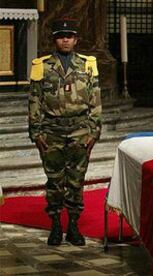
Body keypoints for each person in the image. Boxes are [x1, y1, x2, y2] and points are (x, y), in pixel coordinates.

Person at [28, 18, 102, 246]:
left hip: (80, 131)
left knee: (76, 181)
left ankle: (73, 225)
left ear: (76, 39)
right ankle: (55, 225)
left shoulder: (87, 64)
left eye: (69, 36)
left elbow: (95, 101)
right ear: (55, 40)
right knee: (54, 181)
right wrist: (36, 133)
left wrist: (94, 132)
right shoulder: (43, 66)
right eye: (61, 36)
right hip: (52, 132)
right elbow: (34, 100)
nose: (66, 40)